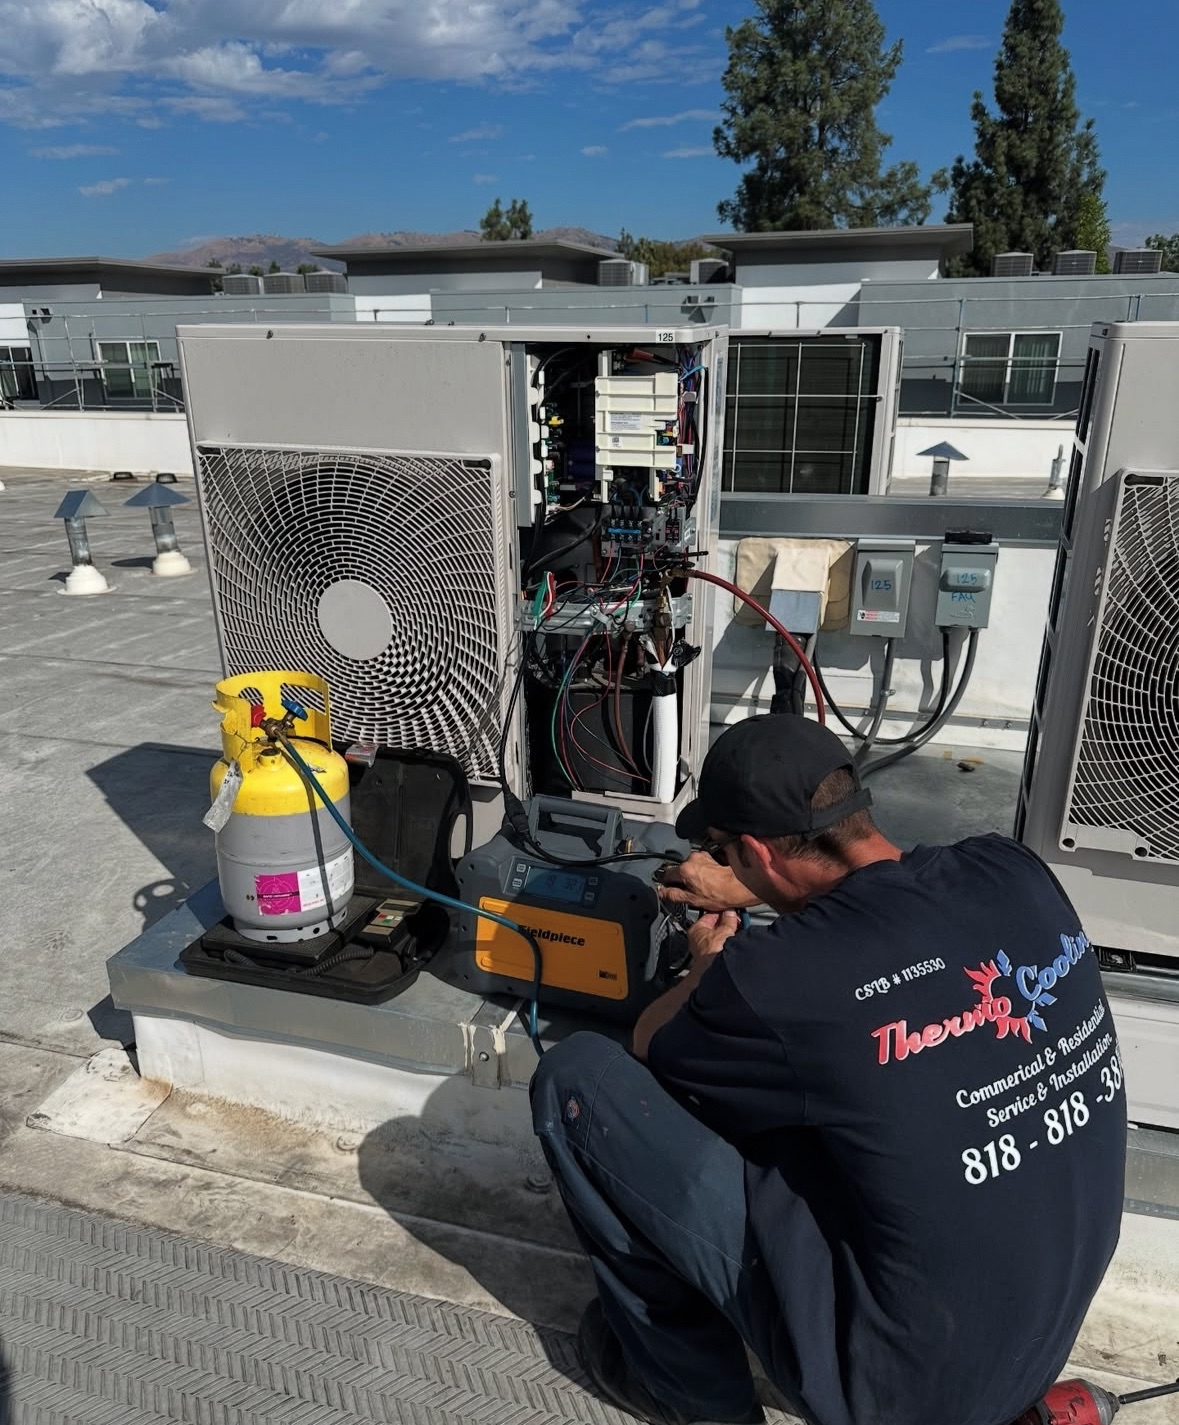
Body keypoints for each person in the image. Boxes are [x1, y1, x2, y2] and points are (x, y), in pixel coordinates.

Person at [531, 715, 1126, 1425]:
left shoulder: (776, 978)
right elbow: (897, 913)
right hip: (1032, 1334)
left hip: (895, 1394)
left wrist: (707, 965)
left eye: (722, 850)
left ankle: (688, 1397)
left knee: (579, 1081)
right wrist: (768, 886)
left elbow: (651, 1041)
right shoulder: (1010, 871)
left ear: (753, 849)